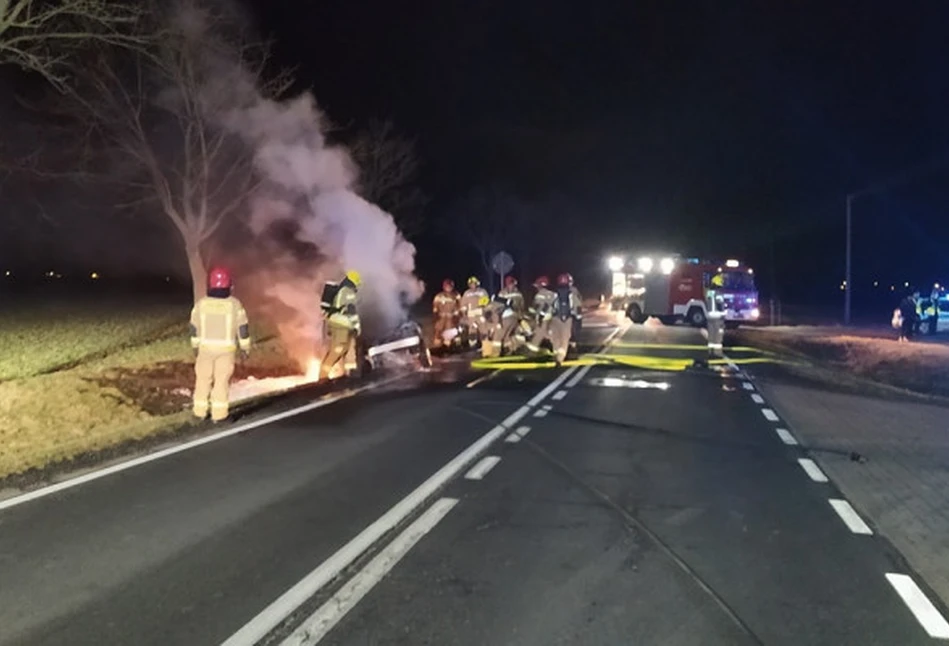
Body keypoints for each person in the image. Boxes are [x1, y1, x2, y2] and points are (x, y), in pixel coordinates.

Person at [190, 267, 251, 422]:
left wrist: (195, 346)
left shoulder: (201, 304)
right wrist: (245, 348)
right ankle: (219, 416)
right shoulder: (235, 305)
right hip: (226, 351)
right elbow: (243, 328)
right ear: (228, 285)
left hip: (205, 350)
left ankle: (199, 413)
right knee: (221, 382)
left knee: (203, 380)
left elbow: (193, 327)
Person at [320, 269, 362, 380]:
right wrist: (357, 326)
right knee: (337, 350)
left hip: (342, 324)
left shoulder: (344, 290)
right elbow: (351, 311)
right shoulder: (348, 292)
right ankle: (323, 377)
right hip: (341, 323)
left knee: (346, 349)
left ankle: (350, 373)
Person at [550, 273, 580, 365]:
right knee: (565, 338)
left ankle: (555, 353)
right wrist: (577, 318)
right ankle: (560, 357)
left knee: (556, 338)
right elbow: (577, 307)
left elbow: (549, 306)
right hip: (568, 319)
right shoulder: (572, 293)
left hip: (555, 318)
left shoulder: (554, 294)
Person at [526, 275, 555, 353]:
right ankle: (557, 347)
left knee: (540, 332)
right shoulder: (553, 294)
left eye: (537, 286)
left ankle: (532, 349)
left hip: (543, 317)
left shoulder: (540, 294)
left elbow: (536, 307)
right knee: (547, 332)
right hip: (552, 316)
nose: (536, 288)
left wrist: (530, 313)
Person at [460, 276, 489, 347]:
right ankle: (473, 346)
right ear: (469, 285)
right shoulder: (466, 293)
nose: (473, 285)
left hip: (481, 314)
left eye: (474, 283)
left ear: (477, 283)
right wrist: (464, 315)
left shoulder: (482, 292)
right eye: (471, 284)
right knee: (472, 331)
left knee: (483, 330)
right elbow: (463, 305)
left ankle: (486, 347)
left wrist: (485, 313)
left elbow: (486, 303)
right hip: (471, 316)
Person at [432, 279, 461, 349]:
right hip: (441, 318)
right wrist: (435, 315)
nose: (448, 288)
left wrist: (457, 316)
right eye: (446, 286)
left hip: (451, 318)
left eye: (450, 286)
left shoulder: (456, 295)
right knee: (438, 332)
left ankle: (447, 348)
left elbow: (459, 306)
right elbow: (435, 306)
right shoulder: (439, 296)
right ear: (444, 287)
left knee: (449, 333)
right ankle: (436, 347)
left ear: (452, 287)